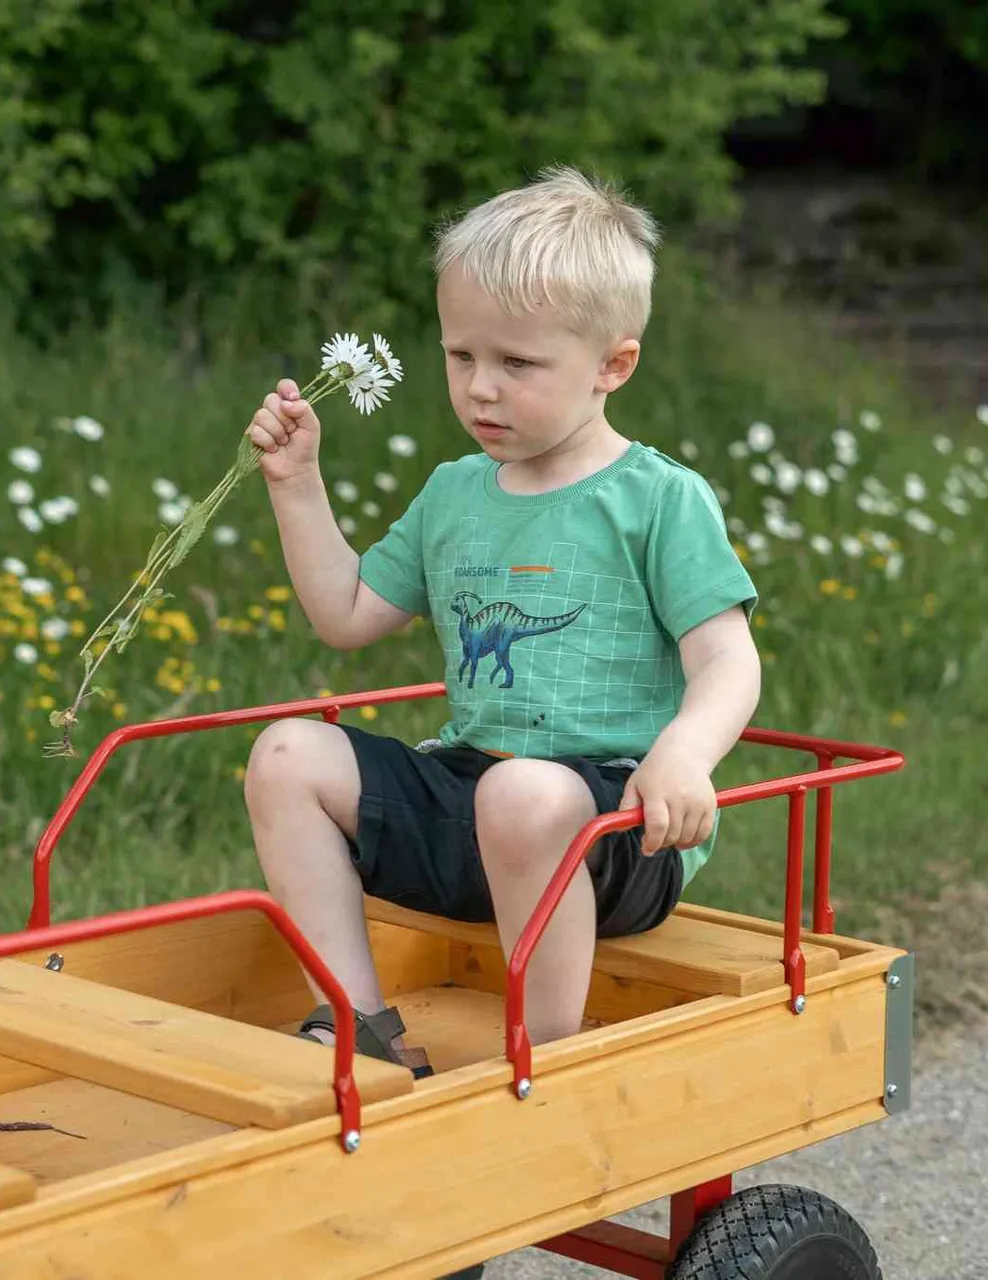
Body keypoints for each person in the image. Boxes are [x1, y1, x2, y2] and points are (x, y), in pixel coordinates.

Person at [240, 166, 763, 1090]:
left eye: (518, 364)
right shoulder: (454, 493)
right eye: (461, 357)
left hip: (610, 831)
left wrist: (682, 758)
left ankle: (547, 1058)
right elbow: (348, 614)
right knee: (288, 755)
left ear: (613, 365)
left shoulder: (657, 500)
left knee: (525, 794)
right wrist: (297, 486)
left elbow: (726, 656)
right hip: (472, 796)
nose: (482, 389)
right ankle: (361, 1025)